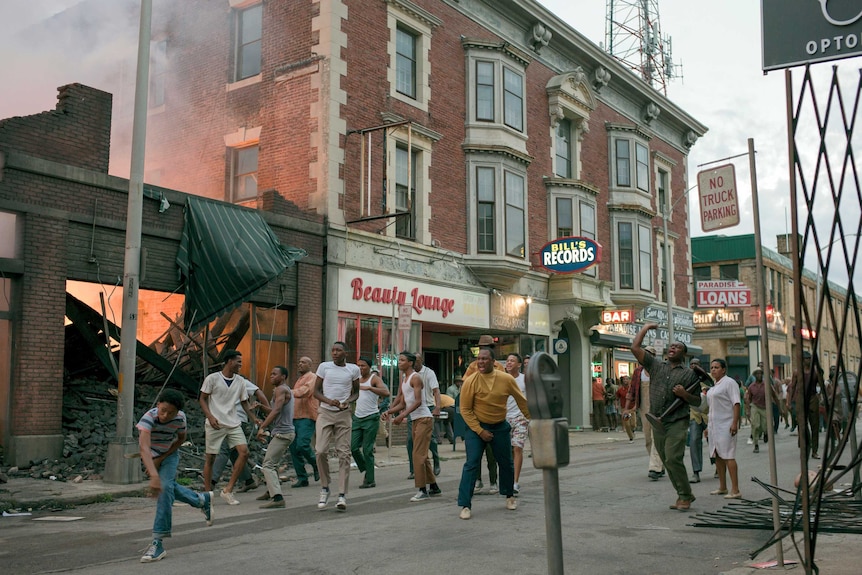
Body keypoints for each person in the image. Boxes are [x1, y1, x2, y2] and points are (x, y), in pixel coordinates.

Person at [137, 389, 213, 562]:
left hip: (169, 456)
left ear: (177, 412)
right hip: (151, 454)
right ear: (157, 405)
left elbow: (180, 439)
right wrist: (153, 471)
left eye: (170, 413)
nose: (165, 415)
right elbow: (144, 447)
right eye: (163, 410)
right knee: (166, 486)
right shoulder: (149, 418)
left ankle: (158, 543)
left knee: (164, 489)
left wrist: (162, 458)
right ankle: (201, 500)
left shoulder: (180, 418)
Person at [631, 324, 702, 511]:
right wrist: (645, 328)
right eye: (671, 346)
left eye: (677, 347)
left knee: (672, 458)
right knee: (665, 459)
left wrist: (685, 395)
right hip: (657, 421)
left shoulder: (689, 375)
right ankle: (682, 494)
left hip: (677, 421)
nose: (673, 348)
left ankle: (685, 496)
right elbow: (635, 348)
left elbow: (697, 402)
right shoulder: (656, 366)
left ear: (684, 354)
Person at [457, 348, 530, 520]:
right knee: (471, 463)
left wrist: (533, 420)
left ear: (493, 362)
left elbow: (522, 401)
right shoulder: (470, 381)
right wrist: (480, 431)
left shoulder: (506, 379)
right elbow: (465, 410)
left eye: (484, 359)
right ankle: (465, 505)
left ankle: (509, 495)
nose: (480, 362)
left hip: (499, 426)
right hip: (477, 427)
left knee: (506, 462)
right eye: (478, 359)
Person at [199, 350, 262, 505]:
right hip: (215, 423)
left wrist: (254, 418)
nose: (240, 365)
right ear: (229, 361)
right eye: (238, 361)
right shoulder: (212, 379)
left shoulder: (240, 381)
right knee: (211, 458)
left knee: (244, 452)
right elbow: (202, 399)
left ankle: (228, 490)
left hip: (233, 423)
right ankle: (208, 494)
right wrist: (210, 416)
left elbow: (244, 402)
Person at [384, 351, 441, 501]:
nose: (399, 362)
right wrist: (389, 412)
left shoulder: (416, 378)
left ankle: (422, 490)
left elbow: (417, 401)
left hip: (424, 419)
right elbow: (403, 402)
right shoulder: (404, 379)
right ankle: (434, 486)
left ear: (410, 363)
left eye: (402, 360)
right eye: (399, 360)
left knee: (417, 454)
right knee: (422, 455)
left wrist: (402, 415)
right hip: (416, 419)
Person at [313, 341, 360, 511]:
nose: (334, 353)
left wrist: (348, 401)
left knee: (344, 453)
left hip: (343, 414)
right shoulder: (324, 367)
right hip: (325, 412)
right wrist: (328, 401)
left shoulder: (353, 369)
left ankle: (342, 494)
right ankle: (325, 487)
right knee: (320, 450)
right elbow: (315, 391)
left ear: (345, 353)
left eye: (338, 350)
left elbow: (356, 392)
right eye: (332, 350)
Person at [211, 374, 269, 494]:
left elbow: (259, 392)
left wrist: (267, 410)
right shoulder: (222, 383)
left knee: (223, 449)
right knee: (234, 453)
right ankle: (248, 480)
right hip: (227, 419)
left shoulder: (242, 382)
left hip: (236, 420)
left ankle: (211, 481)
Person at [254, 366, 295, 509]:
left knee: (268, 465)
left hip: (283, 433)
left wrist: (262, 427)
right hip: (283, 432)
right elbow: (274, 410)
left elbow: (276, 411)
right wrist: (261, 406)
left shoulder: (281, 389)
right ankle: (270, 491)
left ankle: (277, 498)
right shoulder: (282, 390)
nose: (271, 376)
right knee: (274, 463)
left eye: (274, 374)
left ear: (283, 377)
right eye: (270, 373)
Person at [623, 346, 665, 480]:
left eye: (649, 355)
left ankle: (654, 467)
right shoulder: (638, 372)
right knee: (647, 439)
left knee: (656, 436)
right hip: (643, 407)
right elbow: (631, 391)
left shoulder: (659, 370)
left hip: (658, 408)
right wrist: (627, 408)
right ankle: (660, 464)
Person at [351, 356, 390, 489]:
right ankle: (366, 468)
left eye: (363, 366)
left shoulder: (374, 378)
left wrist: (370, 388)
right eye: (359, 366)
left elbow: (386, 392)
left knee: (367, 450)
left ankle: (370, 479)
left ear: (369, 367)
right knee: (353, 447)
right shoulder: (356, 380)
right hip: (357, 417)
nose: (360, 368)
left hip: (371, 418)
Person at [706, 359, 742, 499]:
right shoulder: (713, 386)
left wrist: (735, 422)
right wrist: (708, 427)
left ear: (724, 370)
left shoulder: (729, 383)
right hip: (714, 425)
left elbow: (736, 403)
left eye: (717, 367)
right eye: (712, 367)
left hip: (726, 424)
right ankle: (722, 487)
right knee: (718, 456)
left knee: (728, 455)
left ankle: (735, 489)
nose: (713, 370)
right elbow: (712, 408)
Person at [406, 352, 442, 478]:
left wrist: (437, 407)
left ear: (421, 361)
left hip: (427, 407)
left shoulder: (429, 373)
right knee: (411, 439)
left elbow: (436, 391)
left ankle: (436, 460)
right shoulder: (408, 375)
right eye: (413, 361)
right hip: (413, 409)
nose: (415, 363)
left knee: (429, 439)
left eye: (417, 361)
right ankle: (413, 469)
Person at [289, 356, 320, 488]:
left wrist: (288, 392)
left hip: (307, 417)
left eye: (304, 362)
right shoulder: (299, 380)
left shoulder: (312, 377)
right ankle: (302, 478)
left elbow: (305, 392)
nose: (300, 364)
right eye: (299, 362)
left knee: (302, 444)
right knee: (293, 448)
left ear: (310, 365)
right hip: (295, 417)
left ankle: (316, 464)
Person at [788, 351, 822, 459]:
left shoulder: (815, 372)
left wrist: (819, 397)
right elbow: (792, 387)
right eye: (806, 358)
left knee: (815, 425)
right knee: (802, 425)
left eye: (809, 358)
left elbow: (821, 385)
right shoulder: (797, 372)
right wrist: (789, 402)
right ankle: (804, 446)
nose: (808, 360)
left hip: (812, 398)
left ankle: (814, 450)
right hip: (801, 398)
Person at [505, 352, 529, 494]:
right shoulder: (501, 379)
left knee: (517, 448)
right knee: (504, 452)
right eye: (507, 361)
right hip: (503, 418)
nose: (508, 363)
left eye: (512, 361)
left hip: (520, 418)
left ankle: (515, 482)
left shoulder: (525, 380)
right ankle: (505, 479)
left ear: (519, 365)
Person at [688, 358, 712, 483]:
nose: (693, 367)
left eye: (696, 364)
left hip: (709, 415)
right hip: (695, 415)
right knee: (693, 441)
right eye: (691, 364)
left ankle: (718, 466)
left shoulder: (709, 378)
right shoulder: (686, 379)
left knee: (713, 441)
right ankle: (696, 472)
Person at [744, 368, 767, 454]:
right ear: (754, 376)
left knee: (764, 426)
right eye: (757, 374)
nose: (759, 375)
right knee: (755, 425)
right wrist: (748, 410)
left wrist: (779, 407)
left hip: (764, 407)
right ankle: (756, 444)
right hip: (755, 406)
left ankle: (766, 433)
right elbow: (748, 399)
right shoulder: (751, 387)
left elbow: (774, 395)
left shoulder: (766, 385)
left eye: (760, 374)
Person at [616, 376, 635, 442]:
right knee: (627, 424)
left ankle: (633, 430)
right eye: (624, 379)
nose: (625, 380)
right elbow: (617, 398)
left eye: (627, 379)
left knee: (633, 424)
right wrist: (616, 405)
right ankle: (631, 438)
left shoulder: (632, 389)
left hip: (632, 409)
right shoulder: (620, 390)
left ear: (629, 380)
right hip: (624, 409)